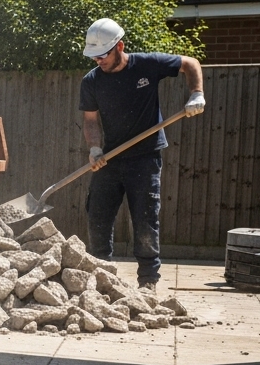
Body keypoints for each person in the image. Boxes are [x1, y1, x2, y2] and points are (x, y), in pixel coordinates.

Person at [80, 17, 205, 290]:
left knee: (145, 217)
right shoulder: (91, 82)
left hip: (145, 157)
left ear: (120, 46)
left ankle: (148, 280)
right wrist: (95, 148)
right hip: (110, 158)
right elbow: (91, 121)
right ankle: (101, 277)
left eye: (103, 55)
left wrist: (196, 93)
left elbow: (190, 63)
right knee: (97, 215)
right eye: (94, 57)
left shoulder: (147, 64)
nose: (98, 61)